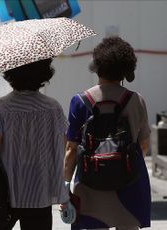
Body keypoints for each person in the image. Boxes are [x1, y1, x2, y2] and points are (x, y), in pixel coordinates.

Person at [62, 37, 151, 230]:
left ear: (96, 66)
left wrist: (65, 185)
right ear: (126, 70)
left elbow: (71, 149)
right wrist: (122, 164)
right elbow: (144, 145)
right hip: (129, 187)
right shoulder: (136, 100)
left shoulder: (79, 101)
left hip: (89, 186)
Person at [0, 59, 69, 230]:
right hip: (40, 191)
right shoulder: (53, 107)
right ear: (43, 74)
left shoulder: (2, 107)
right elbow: (63, 144)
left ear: (11, 73)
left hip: (5, 193)